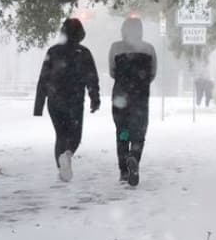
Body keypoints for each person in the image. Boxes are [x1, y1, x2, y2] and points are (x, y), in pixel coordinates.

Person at [34, 18, 101, 183]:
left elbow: (43, 78)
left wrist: (39, 106)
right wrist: (95, 99)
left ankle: (62, 168)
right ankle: (68, 155)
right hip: (74, 100)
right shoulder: (83, 53)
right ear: (80, 34)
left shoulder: (53, 51)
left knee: (60, 135)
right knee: (75, 136)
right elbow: (92, 78)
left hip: (55, 100)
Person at [109, 17, 157, 186]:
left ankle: (123, 171)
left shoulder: (115, 48)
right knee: (139, 132)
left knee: (122, 131)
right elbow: (152, 73)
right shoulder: (149, 49)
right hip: (140, 97)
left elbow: (112, 72)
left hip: (120, 96)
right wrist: (140, 83)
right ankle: (133, 157)